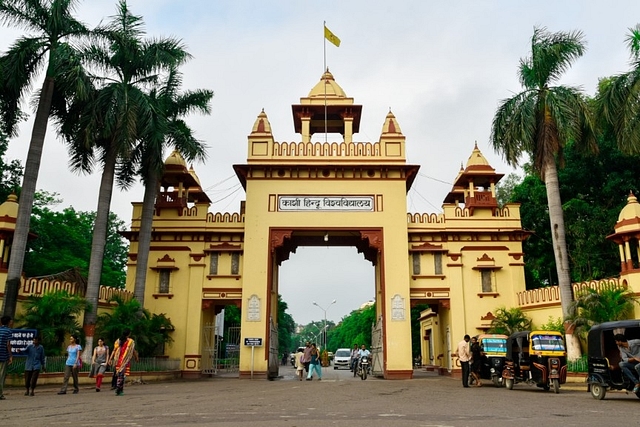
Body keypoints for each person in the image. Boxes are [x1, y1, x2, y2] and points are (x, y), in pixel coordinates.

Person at [109, 329, 136, 396]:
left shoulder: (118, 341)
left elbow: (114, 350)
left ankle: (119, 389)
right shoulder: (131, 341)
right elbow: (133, 351)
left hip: (118, 360)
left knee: (120, 375)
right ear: (129, 334)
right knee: (122, 376)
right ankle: (119, 389)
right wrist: (136, 357)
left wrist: (110, 358)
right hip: (125, 361)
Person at [0, 315, 13, 400]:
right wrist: (10, 356)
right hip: (3, 356)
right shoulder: (8, 331)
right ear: (8, 322)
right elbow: (8, 344)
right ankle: (0, 394)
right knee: (1, 376)